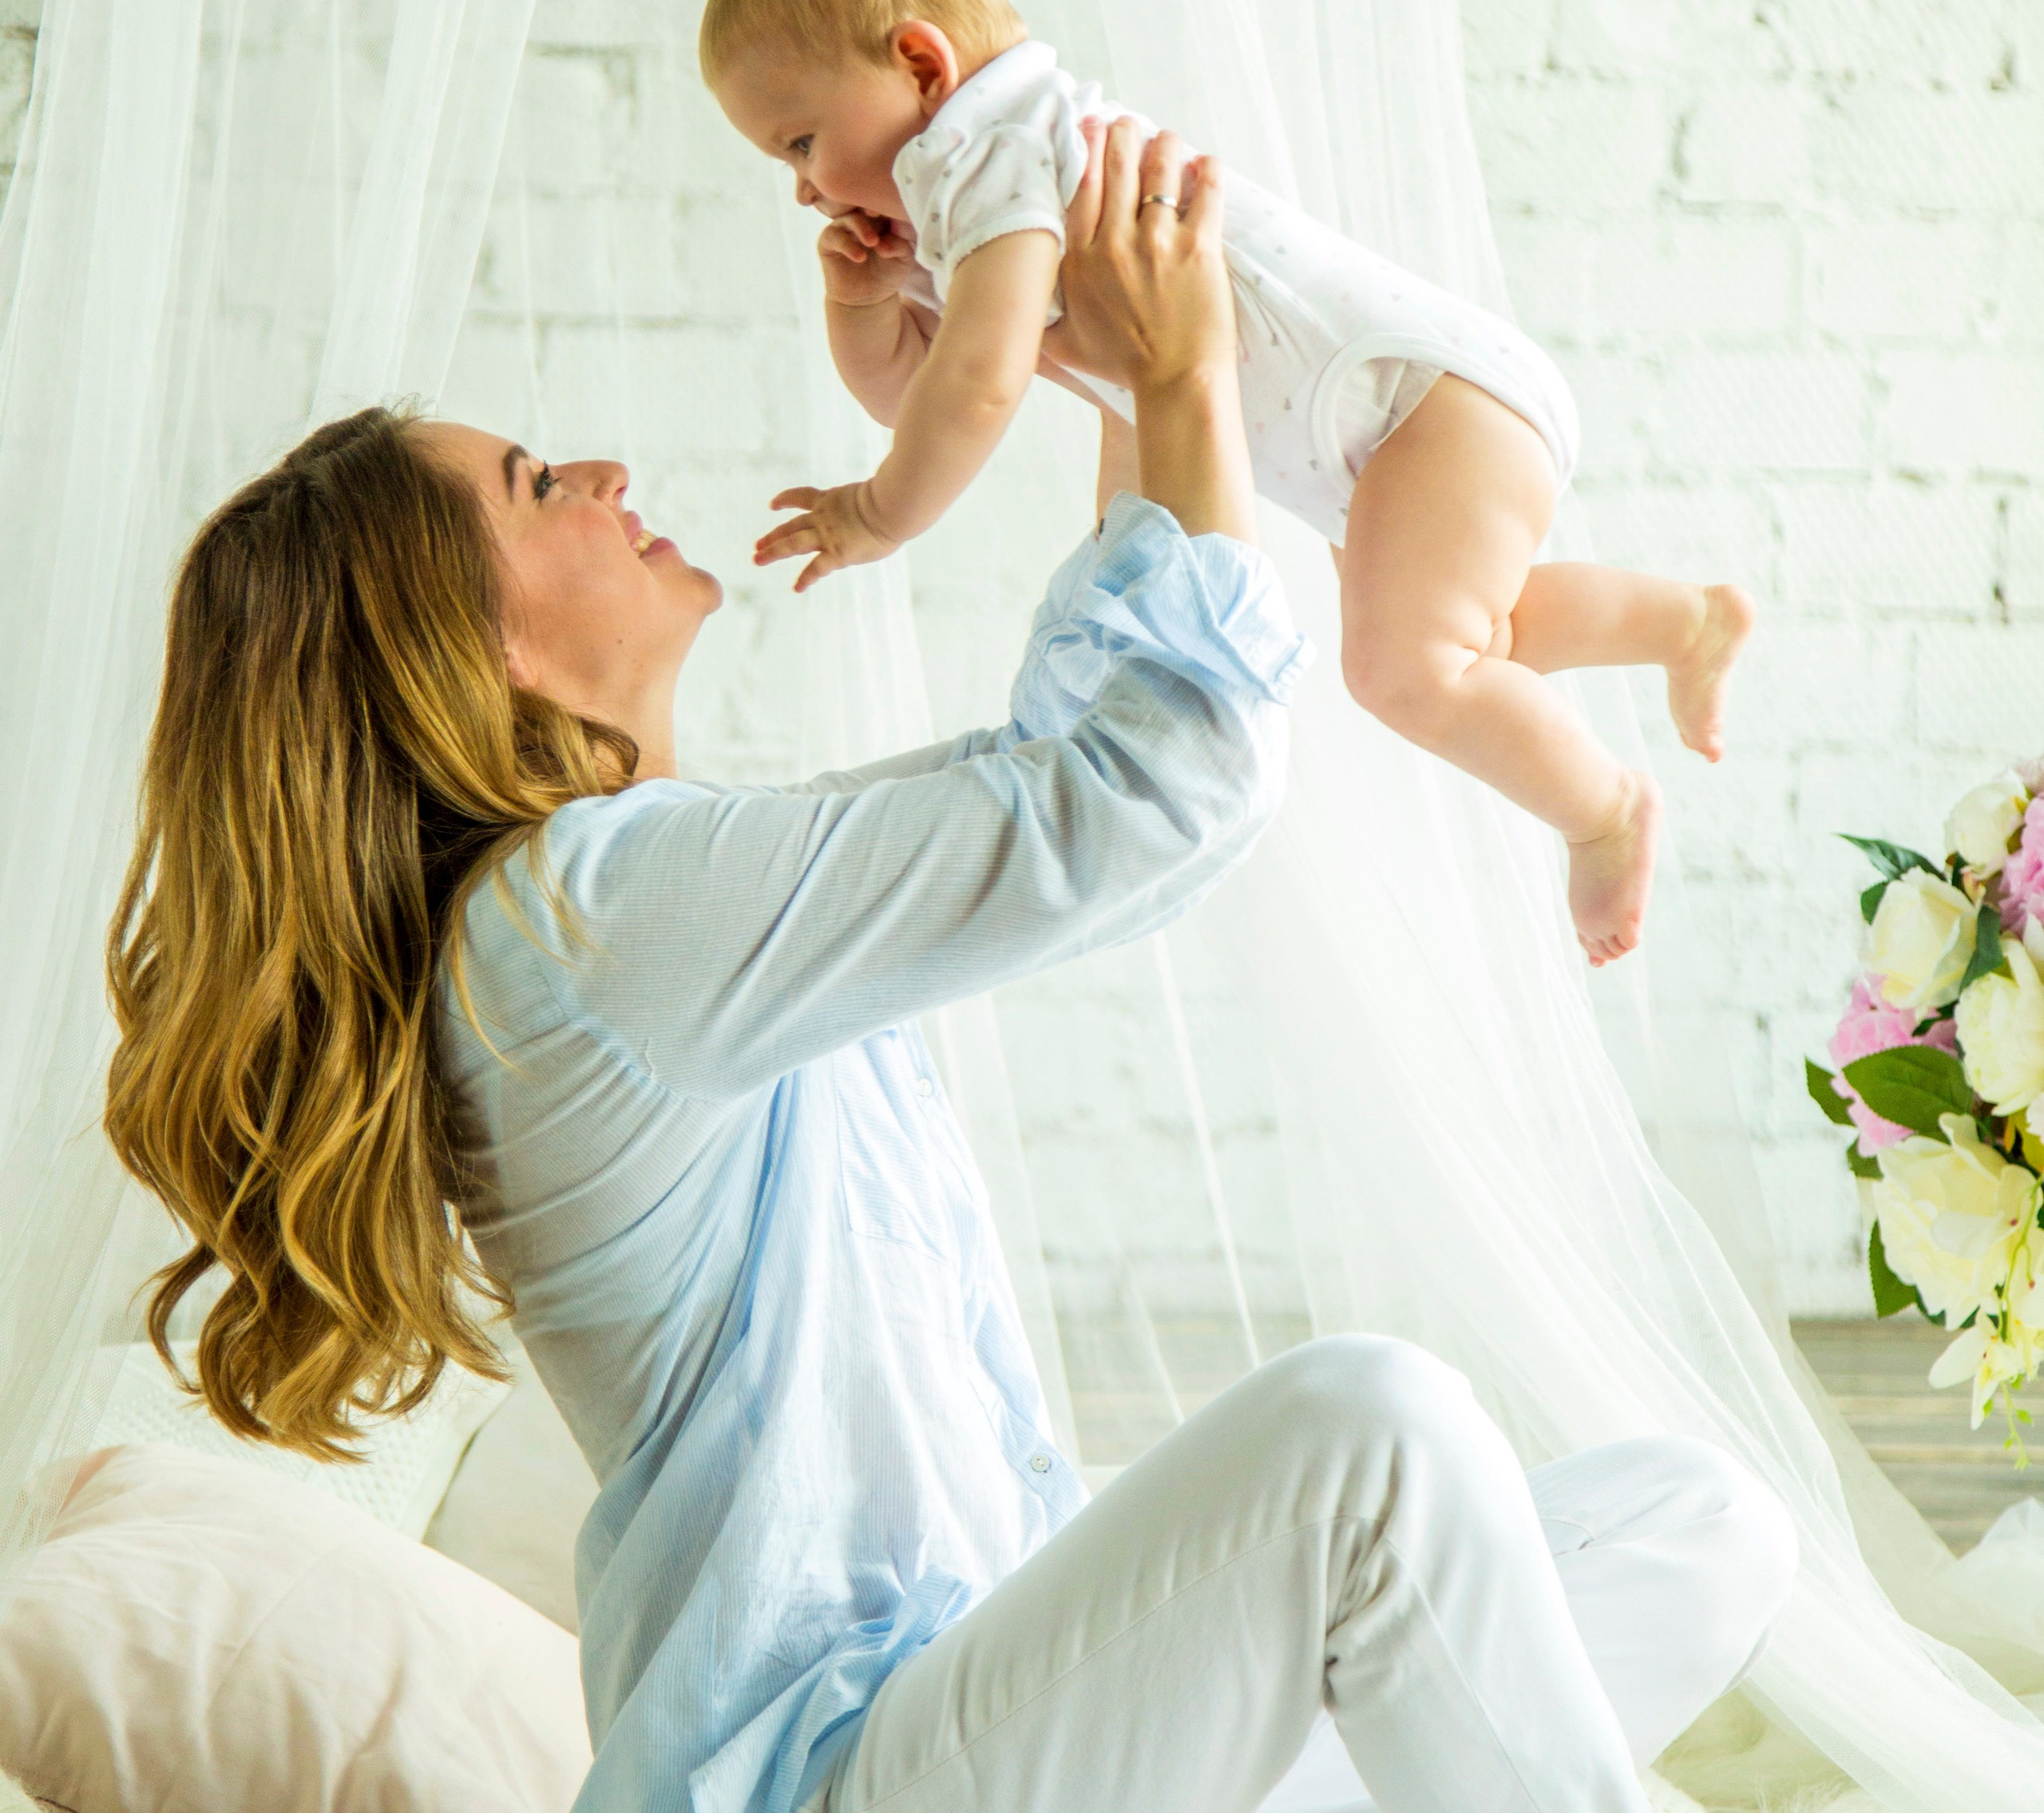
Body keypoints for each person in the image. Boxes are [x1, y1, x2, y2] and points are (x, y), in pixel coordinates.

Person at [103, 121, 1793, 1813]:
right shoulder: (576, 920)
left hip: (998, 1708)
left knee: (1698, 1519)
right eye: (539, 484)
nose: (607, 474)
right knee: (1373, 1439)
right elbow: (1151, 791)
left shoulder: (631, 898)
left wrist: (1116, 385)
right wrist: (1192, 375)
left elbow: (1051, 769)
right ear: (457, 646)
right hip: (846, 1770)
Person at [701, 0, 1759, 968]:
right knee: (1469, 640)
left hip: (1418, 400)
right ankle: (1681, 623)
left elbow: (975, 389)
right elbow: (920, 397)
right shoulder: (971, 192)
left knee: (1404, 671)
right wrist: (862, 304)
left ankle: (1604, 812)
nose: (805, 190)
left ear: (922, 64)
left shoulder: (991, 151)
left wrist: (878, 514)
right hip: (1417, 412)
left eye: (800, 141)